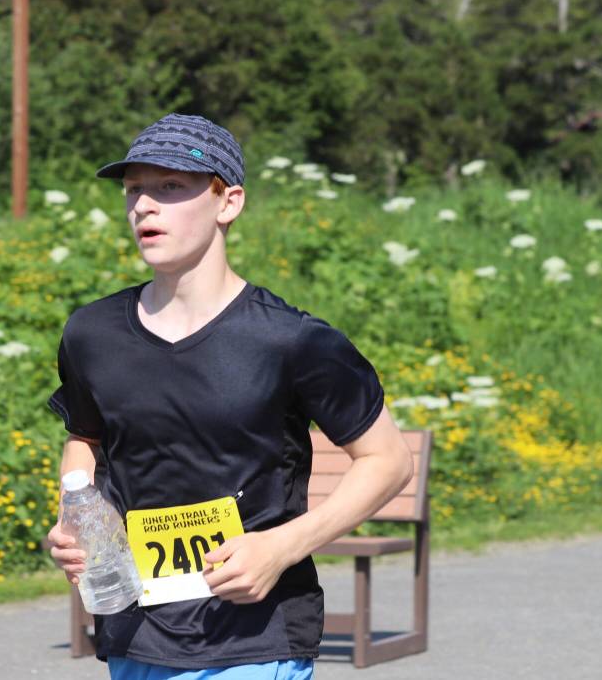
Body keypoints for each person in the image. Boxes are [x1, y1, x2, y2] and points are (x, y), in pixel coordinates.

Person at [45, 112, 414, 680]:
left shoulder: (292, 340)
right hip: (135, 633)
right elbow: (85, 442)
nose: (144, 205)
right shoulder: (92, 334)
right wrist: (76, 524)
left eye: (170, 187)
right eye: (134, 189)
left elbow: (388, 462)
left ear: (228, 202)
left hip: (254, 637)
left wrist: (281, 547)